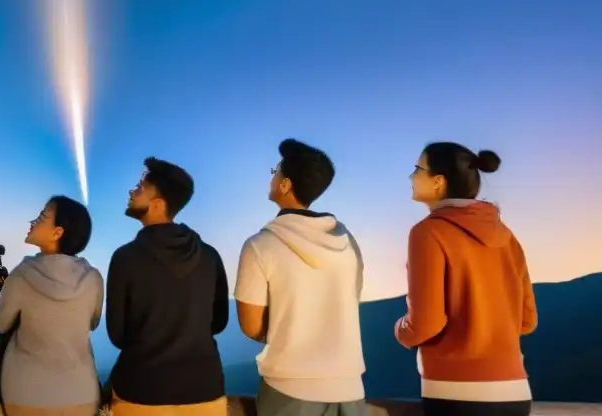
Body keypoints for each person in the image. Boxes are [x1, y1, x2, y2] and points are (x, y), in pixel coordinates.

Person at [396, 142, 537, 416]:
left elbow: (425, 324)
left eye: (417, 169)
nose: (412, 176)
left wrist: (400, 329)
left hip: (456, 392)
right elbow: (527, 320)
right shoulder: (507, 236)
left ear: (438, 182)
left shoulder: (428, 233)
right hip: (516, 392)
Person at [234, 139, 367, 416]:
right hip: (350, 386)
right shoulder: (347, 242)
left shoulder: (260, 245)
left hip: (289, 386)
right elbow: (351, 299)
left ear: (285, 185)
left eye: (276, 171)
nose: (273, 176)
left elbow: (251, 326)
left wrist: (291, 330)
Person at [106, 157, 228, 416]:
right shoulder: (210, 256)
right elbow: (218, 323)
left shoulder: (125, 258)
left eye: (139, 188)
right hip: (206, 391)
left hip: (141, 392)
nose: (132, 191)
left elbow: (117, 336)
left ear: (158, 205)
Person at [0, 195, 104, 416]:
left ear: (58, 232)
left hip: (25, 393)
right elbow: (92, 323)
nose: (33, 222)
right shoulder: (93, 278)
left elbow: (1, 325)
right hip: (81, 392)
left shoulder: (22, 274)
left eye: (43, 216)